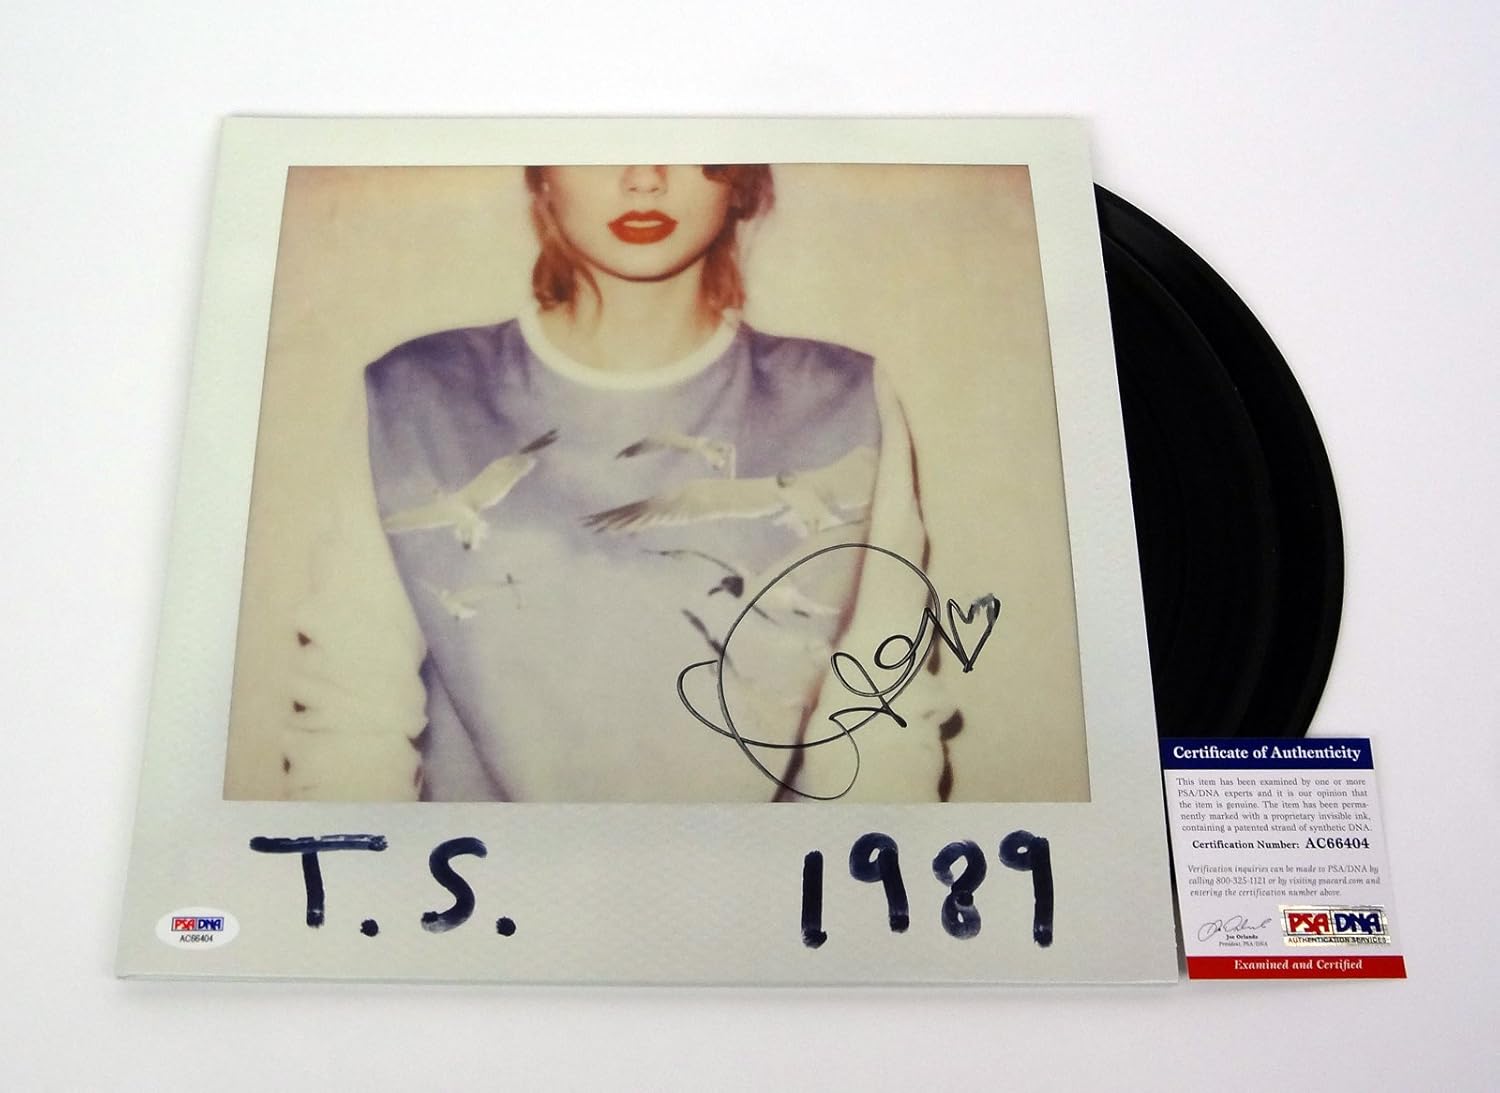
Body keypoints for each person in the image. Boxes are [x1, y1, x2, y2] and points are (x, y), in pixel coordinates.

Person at [279, 165, 954, 803]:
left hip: (754, 881)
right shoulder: (413, 398)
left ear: (740, 175)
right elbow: (351, 722)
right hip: (479, 882)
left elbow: (878, 729)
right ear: (544, 171)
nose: (644, 176)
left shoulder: (843, 403)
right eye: (607, 131)